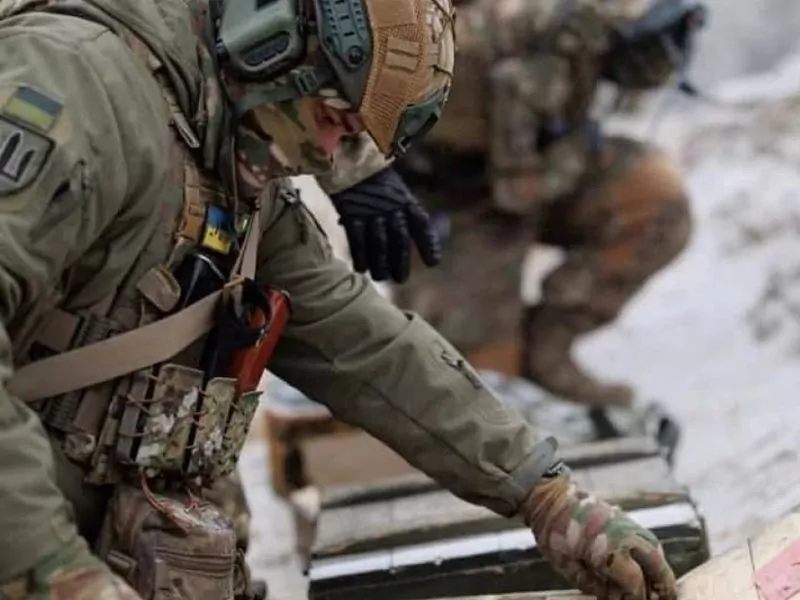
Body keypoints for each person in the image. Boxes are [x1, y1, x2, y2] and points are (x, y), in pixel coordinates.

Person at [0, 1, 677, 600]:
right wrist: (53, 571)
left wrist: (548, 495)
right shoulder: (75, 87)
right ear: (269, 44)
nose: (328, 157)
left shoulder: (225, 135)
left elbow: (361, 342)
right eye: (331, 120)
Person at [392, 0, 697, 406]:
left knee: (656, 203)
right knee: (478, 395)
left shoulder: (571, 24)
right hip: (453, 202)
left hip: (546, 167)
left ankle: (547, 351)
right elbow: (518, 189)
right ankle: (503, 356)